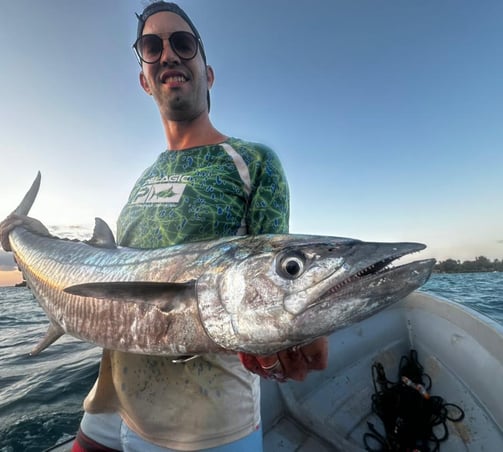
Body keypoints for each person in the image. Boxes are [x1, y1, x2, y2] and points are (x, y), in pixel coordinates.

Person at [0, 2, 328, 451]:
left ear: (207, 73)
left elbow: (271, 286)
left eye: (183, 43)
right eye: (152, 47)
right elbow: (109, 266)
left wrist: (296, 334)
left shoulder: (253, 161)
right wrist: (26, 235)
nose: (169, 55)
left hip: (204, 425)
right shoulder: (146, 176)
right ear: (144, 79)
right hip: (112, 400)